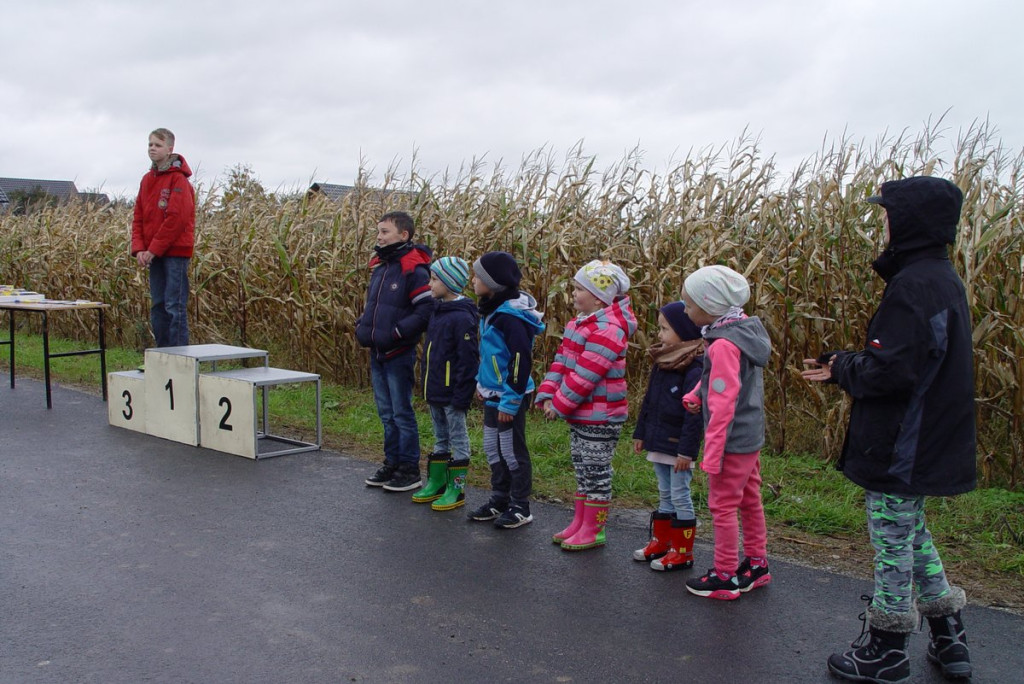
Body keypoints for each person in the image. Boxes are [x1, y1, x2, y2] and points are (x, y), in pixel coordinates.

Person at [802, 176, 975, 683]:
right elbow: (914, 361)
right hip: (930, 437)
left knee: (892, 541)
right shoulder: (942, 278)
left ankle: (887, 649)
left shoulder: (914, 285)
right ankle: (949, 636)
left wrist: (841, 368)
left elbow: (891, 373)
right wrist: (848, 362)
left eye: (887, 214)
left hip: (904, 442)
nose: (881, 222)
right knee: (911, 533)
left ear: (909, 222)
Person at [678, 265, 772, 600]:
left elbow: (723, 404)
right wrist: (696, 395)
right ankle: (757, 565)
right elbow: (722, 383)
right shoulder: (742, 332)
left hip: (731, 440)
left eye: (689, 305)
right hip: (750, 435)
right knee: (749, 500)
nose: (685, 310)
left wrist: (713, 454)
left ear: (711, 306)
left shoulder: (721, 345)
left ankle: (725, 574)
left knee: (722, 506)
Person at [536, 259, 636, 551]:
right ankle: (580, 522)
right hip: (582, 413)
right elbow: (562, 362)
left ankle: (594, 528)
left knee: (596, 469)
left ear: (598, 296)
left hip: (601, 415)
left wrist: (560, 403)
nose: (574, 294)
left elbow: (586, 375)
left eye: (579, 289)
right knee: (582, 468)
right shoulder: (578, 324)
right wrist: (547, 393)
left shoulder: (608, 329)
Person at [467, 251, 545, 529]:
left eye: (478, 276)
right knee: (492, 448)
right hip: (492, 392)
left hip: (510, 395)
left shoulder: (511, 316)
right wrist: (481, 382)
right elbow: (489, 354)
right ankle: (499, 498)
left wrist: (511, 400)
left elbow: (519, 361)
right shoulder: (491, 310)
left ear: (495, 283)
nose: (473, 280)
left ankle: (520, 505)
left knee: (512, 451)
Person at [357, 211, 433, 492]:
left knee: (402, 412)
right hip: (377, 352)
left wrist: (396, 334)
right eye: (378, 231)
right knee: (386, 413)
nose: (379, 236)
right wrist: (362, 327)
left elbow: (425, 310)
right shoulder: (381, 267)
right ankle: (391, 463)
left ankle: (409, 469)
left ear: (404, 235)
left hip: (398, 353)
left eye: (385, 231)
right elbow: (373, 307)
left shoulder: (413, 268)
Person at [631, 301, 704, 570]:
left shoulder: (694, 367)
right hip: (659, 439)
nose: (659, 335)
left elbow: (694, 415)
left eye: (665, 329)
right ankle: (662, 542)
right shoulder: (662, 361)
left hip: (678, 447)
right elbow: (649, 402)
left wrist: (687, 452)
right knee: (664, 492)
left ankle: (683, 551)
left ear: (684, 330)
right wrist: (641, 434)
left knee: (680, 494)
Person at [413, 256, 479, 511]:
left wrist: (462, 395)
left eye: (435, 279)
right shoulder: (438, 310)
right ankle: (437, 482)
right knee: (440, 437)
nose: (429, 284)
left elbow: (468, 360)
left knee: (458, 440)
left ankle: (457, 488)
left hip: (453, 394)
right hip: (436, 390)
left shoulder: (461, 317)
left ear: (450, 283)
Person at [131, 128, 196, 348]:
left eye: (157, 145)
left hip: (175, 252)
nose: (152, 148)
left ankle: (178, 358)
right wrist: (139, 248)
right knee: (158, 305)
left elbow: (176, 220)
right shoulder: (146, 180)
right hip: (153, 253)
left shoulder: (179, 181)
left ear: (170, 149)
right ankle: (162, 355)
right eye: (150, 144)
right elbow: (139, 216)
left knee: (174, 306)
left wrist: (153, 249)